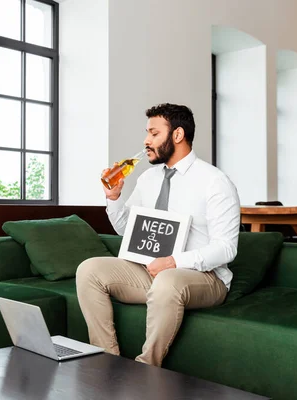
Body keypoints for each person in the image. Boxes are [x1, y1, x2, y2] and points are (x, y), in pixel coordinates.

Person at [76, 103, 241, 367]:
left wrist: (174, 262)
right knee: (89, 270)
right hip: (150, 270)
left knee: (168, 281)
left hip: (205, 278)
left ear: (177, 135)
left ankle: (145, 369)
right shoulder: (148, 179)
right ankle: (106, 364)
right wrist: (114, 197)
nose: (146, 140)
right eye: (147, 133)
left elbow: (226, 248)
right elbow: (126, 229)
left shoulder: (215, 181)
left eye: (154, 133)